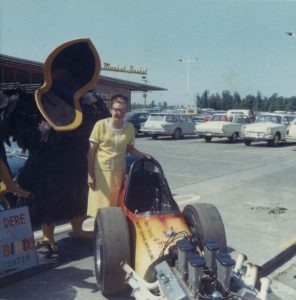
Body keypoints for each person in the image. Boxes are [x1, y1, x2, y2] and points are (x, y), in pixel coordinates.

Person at [87, 94, 149, 217]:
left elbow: (130, 149)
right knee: (101, 208)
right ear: (110, 109)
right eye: (116, 109)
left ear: (126, 111)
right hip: (101, 173)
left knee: (115, 205)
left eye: (122, 110)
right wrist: (90, 175)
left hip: (118, 173)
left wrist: (143, 155)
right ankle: (101, 232)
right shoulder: (100, 125)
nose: (119, 113)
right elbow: (91, 152)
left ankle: (113, 231)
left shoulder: (129, 127)